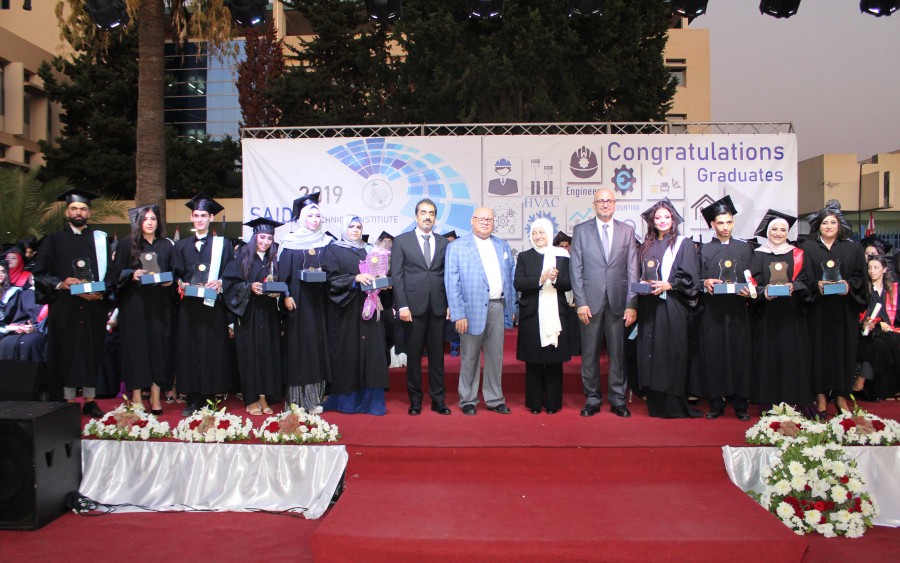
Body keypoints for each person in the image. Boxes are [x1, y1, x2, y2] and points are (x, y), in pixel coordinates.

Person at [32, 188, 110, 414]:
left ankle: (90, 400)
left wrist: (101, 293)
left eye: (83, 209)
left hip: (94, 306)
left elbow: (112, 273)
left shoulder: (100, 240)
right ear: (67, 212)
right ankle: (67, 400)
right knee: (67, 352)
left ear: (89, 213)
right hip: (65, 307)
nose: (79, 212)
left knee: (92, 352)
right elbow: (40, 273)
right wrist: (61, 283)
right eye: (74, 208)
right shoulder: (54, 240)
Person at [569, 188, 639, 418]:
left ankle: (618, 400)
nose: (605, 204)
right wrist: (580, 301)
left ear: (615, 204)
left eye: (609, 201)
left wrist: (632, 304)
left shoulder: (627, 231)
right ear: (594, 204)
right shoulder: (581, 230)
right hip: (589, 303)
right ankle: (592, 399)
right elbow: (576, 268)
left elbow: (633, 270)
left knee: (618, 353)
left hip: (619, 302)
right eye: (600, 201)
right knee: (589, 353)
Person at [445, 207, 517, 415]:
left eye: (489, 219)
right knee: (469, 356)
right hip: (470, 310)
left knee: (495, 356)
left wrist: (512, 306)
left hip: (498, 306)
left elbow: (510, 278)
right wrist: (458, 313)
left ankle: (495, 399)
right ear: (472, 220)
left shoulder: (502, 245)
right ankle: (468, 399)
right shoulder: (457, 247)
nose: (485, 222)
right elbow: (451, 282)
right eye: (481, 219)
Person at [634, 198, 701, 418]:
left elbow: (691, 279)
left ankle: (672, 404)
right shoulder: (646, 246)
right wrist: (642, 283)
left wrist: (670, 284)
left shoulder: (683, 244)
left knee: (670, 350)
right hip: (649, 305)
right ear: (652, 221)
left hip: (672, 305)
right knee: (651, 350)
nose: (662, 220)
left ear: (673, 219)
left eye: (666, 217)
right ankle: (655, 403)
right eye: (658, 217)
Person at [689, 196, 753, 421]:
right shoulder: (703, 250)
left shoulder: (745, 249)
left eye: (728, 222)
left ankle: (740, 403)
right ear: (712, 224)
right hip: (712, 312)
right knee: (714, 356)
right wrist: (704, 282)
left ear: (733, 222)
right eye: (720, 223)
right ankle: (716, 402)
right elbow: (693, 280)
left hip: (738, 311)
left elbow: (754, 279)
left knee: (739, 355)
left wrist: (751, 291)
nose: (725, 227)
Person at [801, 203, 868, 416]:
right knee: (817, 352)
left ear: (839, 226)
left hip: (843, 310)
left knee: (844, 351)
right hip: (818, 310)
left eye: (833, 222)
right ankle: (820, 396)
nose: (829, 226)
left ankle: (841, 396)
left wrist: (849, 285)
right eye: (824, 223)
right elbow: (804, 277)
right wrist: (816, 284)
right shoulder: (807, 248)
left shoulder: (852, 248)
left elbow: (860, 276)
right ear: (818, 226)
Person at [109, 205, 175, 415]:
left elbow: (175, 272)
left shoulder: (166, 245)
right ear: (138, 222)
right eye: (145, 219)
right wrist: (132, 274)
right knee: (136, 349)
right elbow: (115, 275)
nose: (150, 222)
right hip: (134, 305)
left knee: (159, 349)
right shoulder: (126, 244)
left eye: (153, 218)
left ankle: (155, 397)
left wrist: (171, 282)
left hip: (160, 305)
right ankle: (136, 396)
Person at [320, 215, 390, 414]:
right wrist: (355, 278)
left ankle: (372, 402)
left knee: (373, 353)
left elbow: (379, 273)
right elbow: (330, 278)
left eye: (358, 227)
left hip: (370, 307)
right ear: (344, 228)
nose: (355, 230)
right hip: (346, 309)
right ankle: (347, 402)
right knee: (348, 352)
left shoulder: (369, 250)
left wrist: (382, 281)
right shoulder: (333, 250)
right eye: (351, 226)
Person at [172, 192, 234, 415]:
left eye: (204, 216)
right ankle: (191, 398)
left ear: (210, 218)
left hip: (212, 306)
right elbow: (176, 274)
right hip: (189, 307)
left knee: (212, 350)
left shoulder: (223, 245)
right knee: (188, 350)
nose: (199, 219)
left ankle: (209, 397)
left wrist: (221, 282)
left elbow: (232, 272)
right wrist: (180, 283)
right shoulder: (180, 246)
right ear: (191, 217)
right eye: (196, 215)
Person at [391, 198, 452, 416]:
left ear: (435, 217)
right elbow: (397, 276)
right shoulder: (402, 241)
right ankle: (415, 401)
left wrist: (449, 304)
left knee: (437, 358)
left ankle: (438, 401)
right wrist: (402, 306)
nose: (428, 217)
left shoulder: (444, 243)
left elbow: (448, 276)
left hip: (438, 307)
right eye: (423, 213)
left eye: (432, 213)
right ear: (416, 216)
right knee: (414, 357)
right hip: (412, 309)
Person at [749, 210, 815, 410]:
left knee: (791, 356)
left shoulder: (798, 254)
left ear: (788, 232)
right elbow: (752, 283)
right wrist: (763, 292)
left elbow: (808, 282)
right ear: (767, 232)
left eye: (783, 230)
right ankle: (767, 401)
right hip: (766, 315)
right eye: (774, 229)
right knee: (767, 356)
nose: (778, 233)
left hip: (791, 314)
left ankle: (792, 398)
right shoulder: (757, 254)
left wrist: (795, 287)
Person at [223, 218, 284, 416]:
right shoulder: (241, 258)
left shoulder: (274, 260)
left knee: (267, 356)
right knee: (249, 357)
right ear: (255, 237)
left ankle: (263, 397)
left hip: (269, 314)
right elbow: (229, 284)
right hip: (248, 315)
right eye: (262, 237)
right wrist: (249, 287)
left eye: (269, 238)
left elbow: (282, 284)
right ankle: (250, 398)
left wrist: (278, 293)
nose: (266, 242)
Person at [278, 193, 332, 413]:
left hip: (320, 304)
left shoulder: (327, 242)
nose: (314, 219)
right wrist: (286, 295)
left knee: (316, 349)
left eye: (317, 215)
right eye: (310, 215)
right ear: (301, 217)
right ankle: (295, 401)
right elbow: (281, 275)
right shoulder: (289, 243)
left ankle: (314, 399)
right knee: (298, 349)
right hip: (297, 304)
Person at [514, 218, 572, 414]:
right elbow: (518, 283)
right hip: (532, 314)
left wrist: (555, 279)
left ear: (549, 233)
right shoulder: (524, 256)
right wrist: (539, 279)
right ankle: (535, 403)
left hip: (556, 313)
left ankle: (553, 403)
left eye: (541, 232)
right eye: (534, 233)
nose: (538, 236)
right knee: (534, 359)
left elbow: (569, 284)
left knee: (554, 360)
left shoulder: (561, 255)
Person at [856, 255, 900, 400]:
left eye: (876, 268)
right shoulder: (864, 290)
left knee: (892, 341)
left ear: (884, 269)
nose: (872, 271)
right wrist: (876, 323)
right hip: (866, 331)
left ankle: (892, 388)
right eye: (869, 268)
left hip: (888, 331)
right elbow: (859, 315)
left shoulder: (892, 290)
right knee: (878, 344)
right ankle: (861, 382)